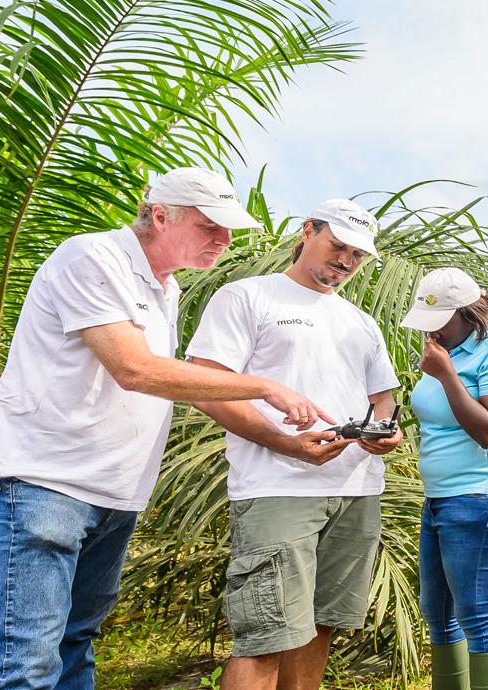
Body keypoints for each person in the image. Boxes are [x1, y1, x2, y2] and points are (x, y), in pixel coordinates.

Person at [0, 168, 329, 690]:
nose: (224, 242)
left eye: (228, 231)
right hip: (46, 480)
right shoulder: (92, 257)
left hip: (116, 491)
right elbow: (135, 369)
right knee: (24, 661)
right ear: (160, 215)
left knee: (74, 644)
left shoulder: (166, 287)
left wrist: (286, 441)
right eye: (210, 228)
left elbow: (179, 384)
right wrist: (263, 386)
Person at [185, 199, 404, 690]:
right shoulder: (247, 297)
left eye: (358, 255)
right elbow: (205, 386)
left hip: (356, 489)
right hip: (278, 488)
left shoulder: (361, 323)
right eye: (338, 245)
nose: (346, 260)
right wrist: (287, 444)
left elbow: (382, 400)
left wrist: (386, 433)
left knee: (320, 624)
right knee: (266, 635)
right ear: (308, 231)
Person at [402, 267, 488, 690]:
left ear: (467, 313)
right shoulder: (445, 353)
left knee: (477, 612)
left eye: (439, 321)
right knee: (437, 611)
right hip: (440, 498)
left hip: (480, 497)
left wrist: (446, 376)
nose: (430, 330)